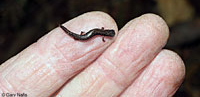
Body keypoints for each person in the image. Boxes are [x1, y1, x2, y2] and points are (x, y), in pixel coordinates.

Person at [0, 11, 185, 97]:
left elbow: (100, 32)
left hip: (85, 37)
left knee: (82, 36)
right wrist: (88, 36)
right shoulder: (103, 34)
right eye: (108, 34)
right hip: (83, 38)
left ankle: (68, 31)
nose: (107, 34)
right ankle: (66, 30)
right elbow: (100, 33)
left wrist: (93, 35)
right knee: (78, 36)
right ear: (107, 34)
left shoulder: (103, 32)